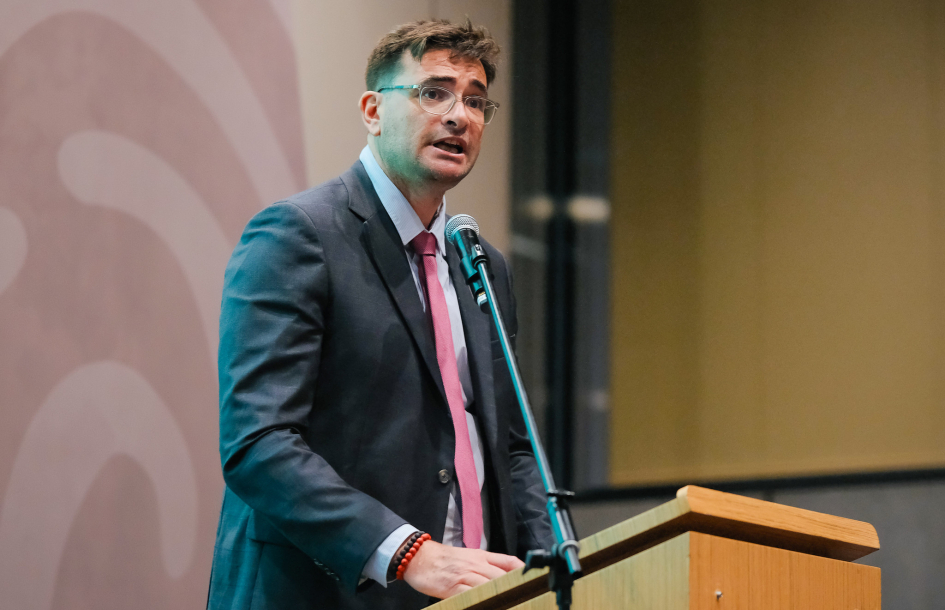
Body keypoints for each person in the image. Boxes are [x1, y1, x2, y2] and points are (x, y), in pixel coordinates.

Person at [207, 19, 553, 610]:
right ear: (373, 110)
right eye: (434, 92)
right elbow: (258, 443)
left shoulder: (480, 262)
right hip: (324, 594)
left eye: (475, 101)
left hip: (474, 596)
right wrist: (409, 553)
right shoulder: (298, 234)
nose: (459, 116)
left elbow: (512, 448)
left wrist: (553, 566)